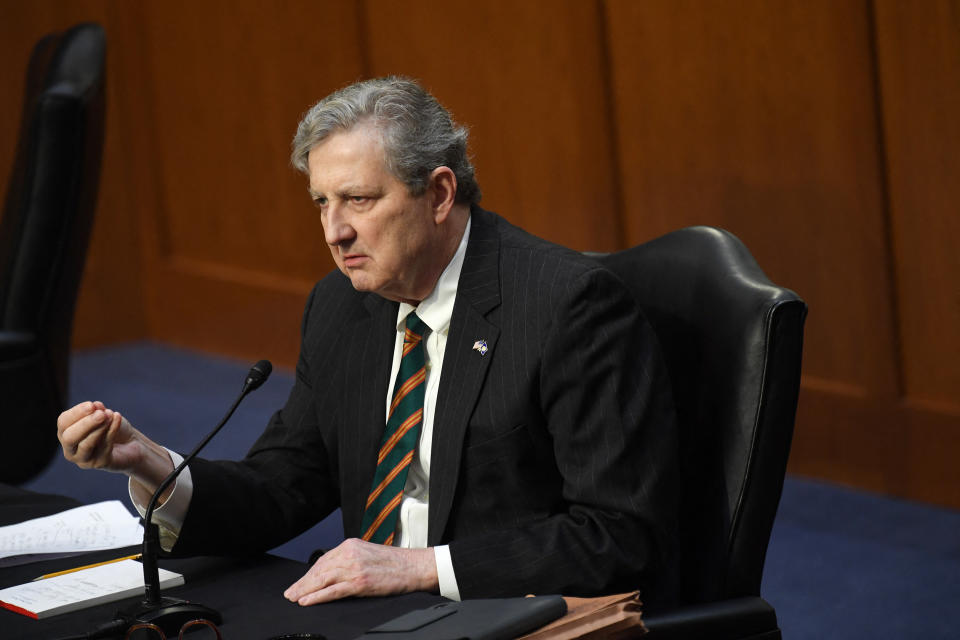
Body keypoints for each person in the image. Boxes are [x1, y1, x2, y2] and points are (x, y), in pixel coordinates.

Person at [57, 77, 679, 610]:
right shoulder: (342, 303)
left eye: (358, 199)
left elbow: (617, 534)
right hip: (370, 615)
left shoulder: (566, 308)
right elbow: (285, 484)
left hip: (500, 613)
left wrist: (420, 568)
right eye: (322, 203)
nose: (335, 231)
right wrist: (152, 465)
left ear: (438, 194)